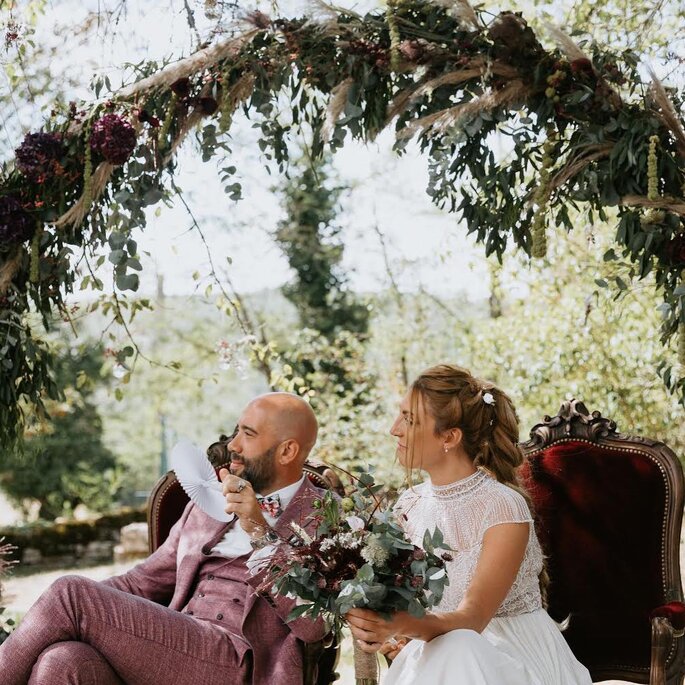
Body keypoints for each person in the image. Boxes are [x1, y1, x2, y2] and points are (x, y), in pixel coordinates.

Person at [0, 392, 327, 685]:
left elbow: (316, 626)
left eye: (249, 434)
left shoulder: (327, 515)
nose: (233, 445)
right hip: (175, 648)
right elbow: (138, 583)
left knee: (69, 591)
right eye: (237, 430)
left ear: (287, 451)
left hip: (244, 664)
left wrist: (259, 530)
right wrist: (65, 614)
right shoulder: (206, 505)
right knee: (62, 661)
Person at [346, 364, 592, 684]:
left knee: (461, 645)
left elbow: (471, 619)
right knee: (453, 647)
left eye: (409, 419)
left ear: (449, 437)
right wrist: (387, 632)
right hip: (437, 650)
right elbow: (408, 608)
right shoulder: (408, 504)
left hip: (512, 657)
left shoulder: (502, 506)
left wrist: (402, 625)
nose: (395, 429)